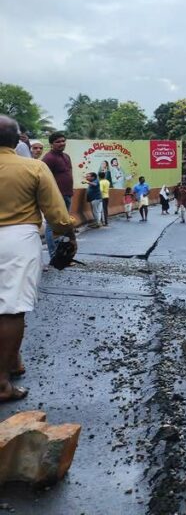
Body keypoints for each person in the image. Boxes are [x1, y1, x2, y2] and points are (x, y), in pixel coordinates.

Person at [0, 115, 76, 401]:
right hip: (18, 239)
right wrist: (69, 235)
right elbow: (57, 216)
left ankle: (13, 362)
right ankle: (2, 382)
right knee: (12, 307)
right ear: (17, 140)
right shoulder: (34, 167)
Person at [42, 132, 74, 259]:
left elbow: (69, 173)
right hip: (56, 197)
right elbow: (44, 178)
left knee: (64, 225)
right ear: (51, 144)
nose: (62, 143)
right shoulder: (48, 158)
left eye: (63, 141)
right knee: (52, 225)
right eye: (58, 141)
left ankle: (62, 255)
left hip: (67, 194)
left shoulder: (66, 156)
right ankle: (53, 255)